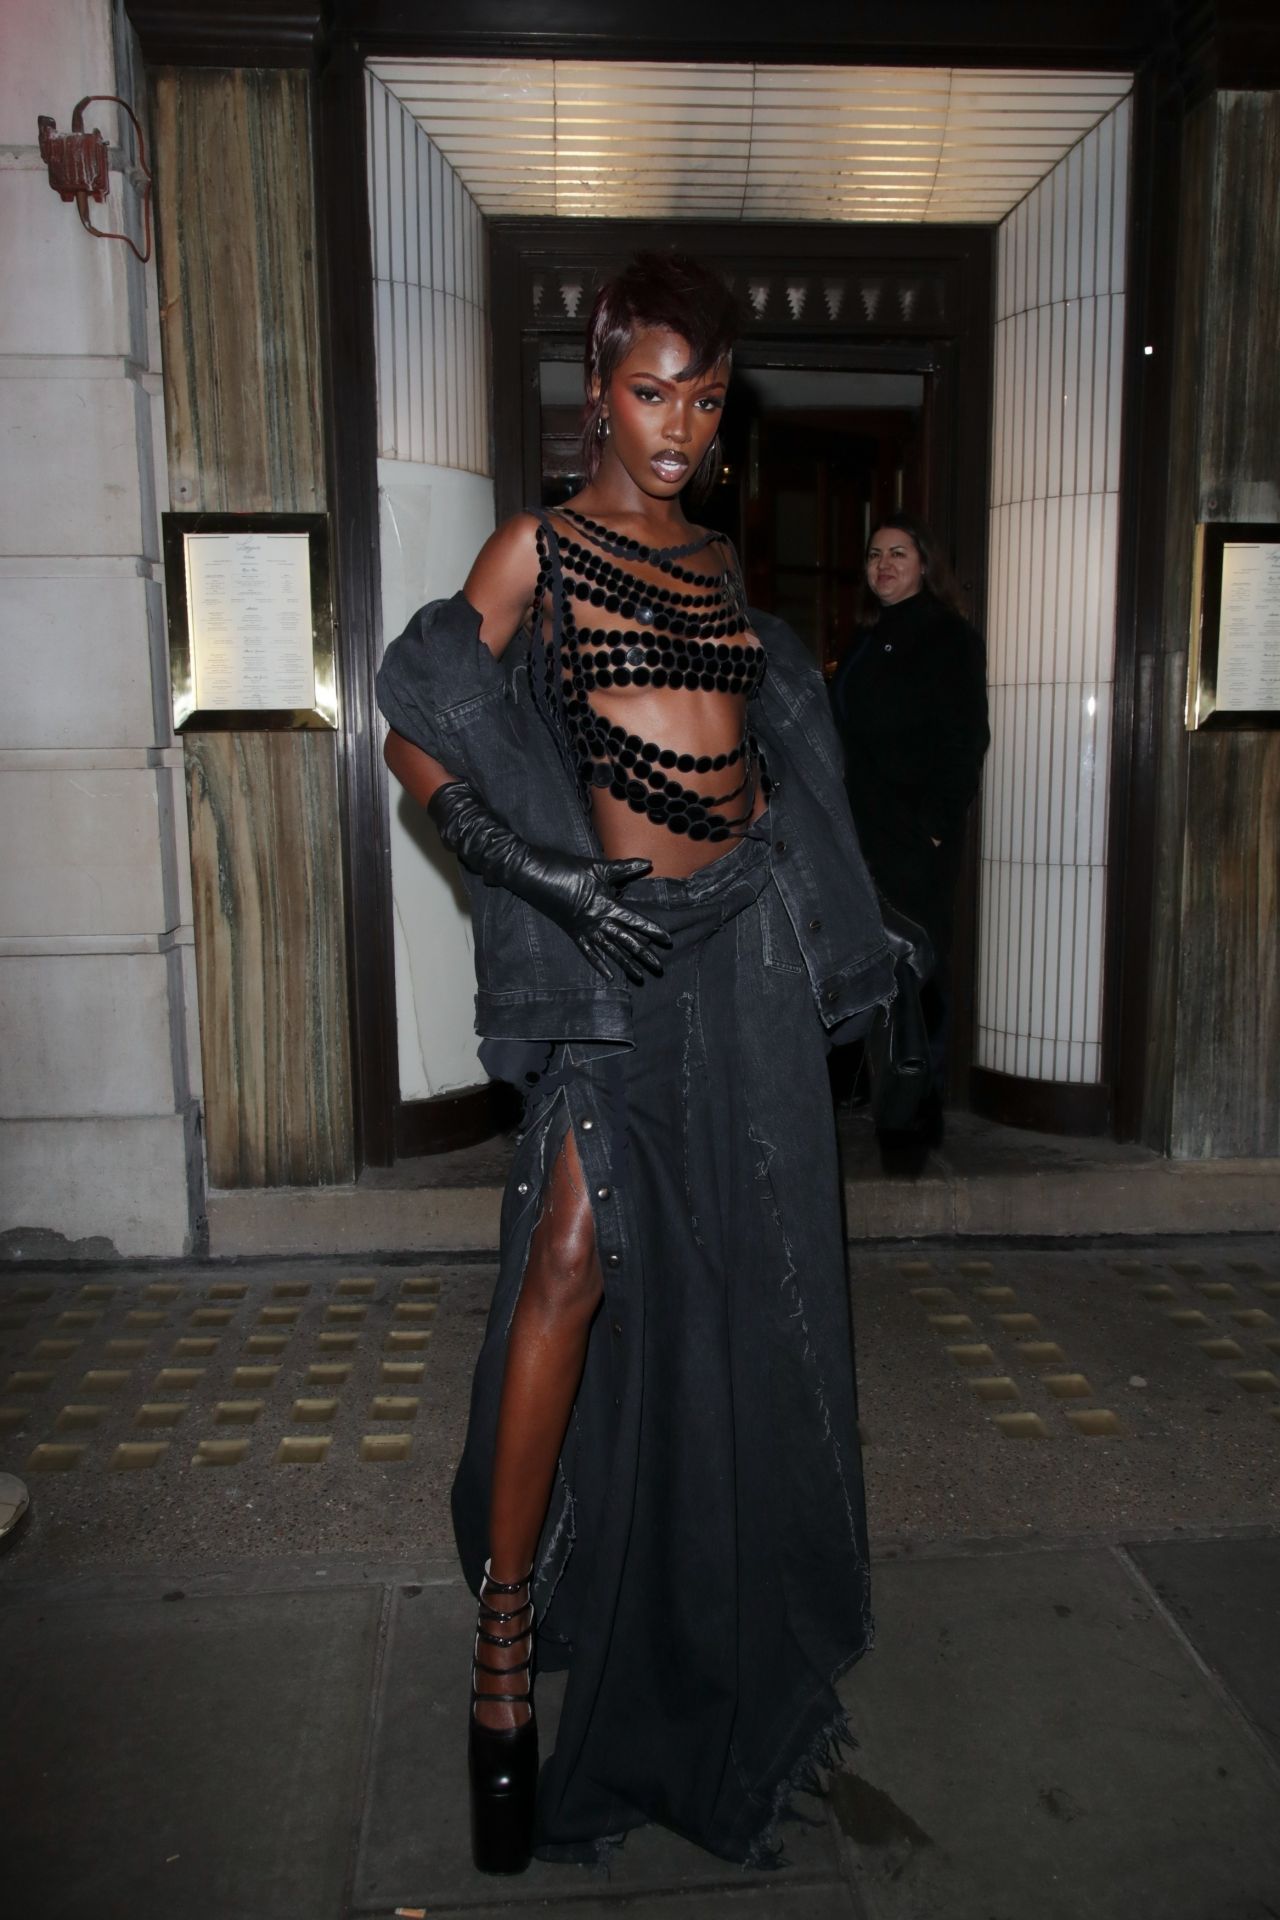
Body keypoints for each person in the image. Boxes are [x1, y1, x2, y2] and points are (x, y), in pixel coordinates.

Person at [376, 253, 896, 1875]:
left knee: (743, 1301)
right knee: (571, 1263)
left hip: (737, 966)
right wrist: (538, 878)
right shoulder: (543, 544)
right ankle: (506, 1652)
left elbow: (766, 760)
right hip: (613, 965)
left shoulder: (722, 565)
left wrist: (855, 955)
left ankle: (703, 1639)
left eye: (708, 398)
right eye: (653, 389)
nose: (680, 427)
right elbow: (416, 721)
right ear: (597, 382)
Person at [829, 514, 990, 1146]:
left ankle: (917, 1107)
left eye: (898, 553)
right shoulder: (869, 635)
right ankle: (867, 1087)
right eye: (874, 555)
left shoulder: (949, 637)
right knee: (863, 961)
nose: (884, 565)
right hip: (859, 831)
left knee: (917, 964)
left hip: (910, 834)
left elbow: (964, 739)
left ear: (926, 564)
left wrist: (933, 827)